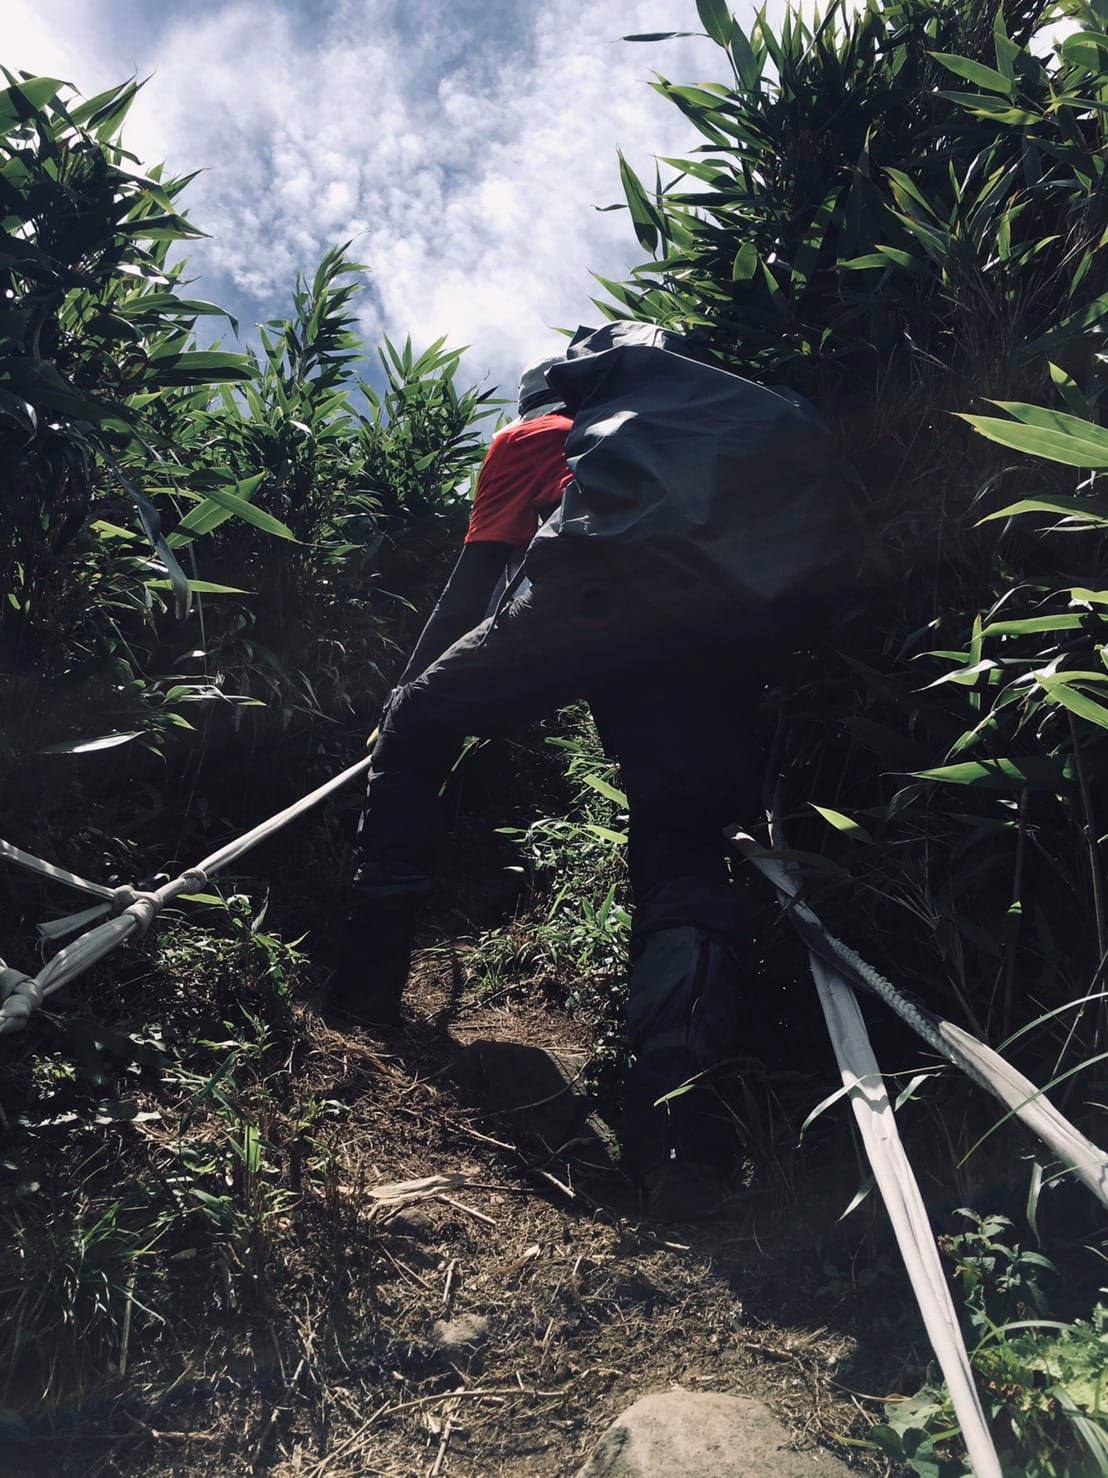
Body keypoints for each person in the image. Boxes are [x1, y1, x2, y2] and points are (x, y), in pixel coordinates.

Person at [329, 355, 805, 1216]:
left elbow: (470, 590)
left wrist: (405, 702)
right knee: (683, 840)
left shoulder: (537, 438)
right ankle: (677, 1140)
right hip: (719, 629)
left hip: (595, 592)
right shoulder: (684, 440)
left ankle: (364, 988)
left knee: (420, 718)